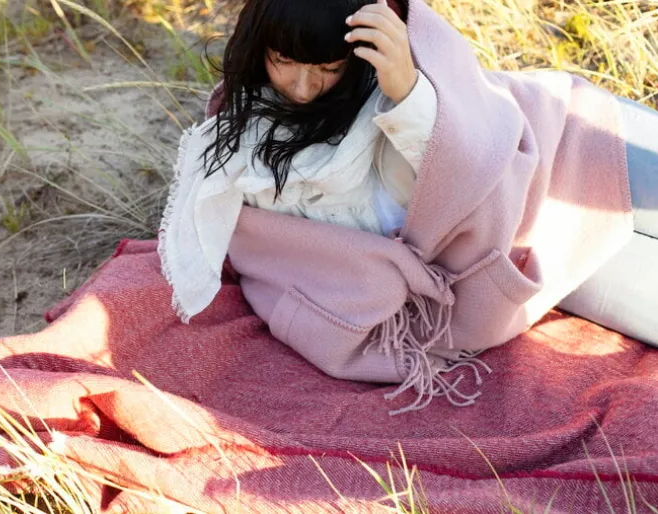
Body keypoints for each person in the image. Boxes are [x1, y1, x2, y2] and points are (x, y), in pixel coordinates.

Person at [159, 0, 658, 411]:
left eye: (328, 68)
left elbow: (470, 157)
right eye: (283, 61)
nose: (303, 87)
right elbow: (274, 257)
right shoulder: (247, 140)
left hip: (568, 147)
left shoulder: (389, 97)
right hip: (534, 255)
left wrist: (408, 90)